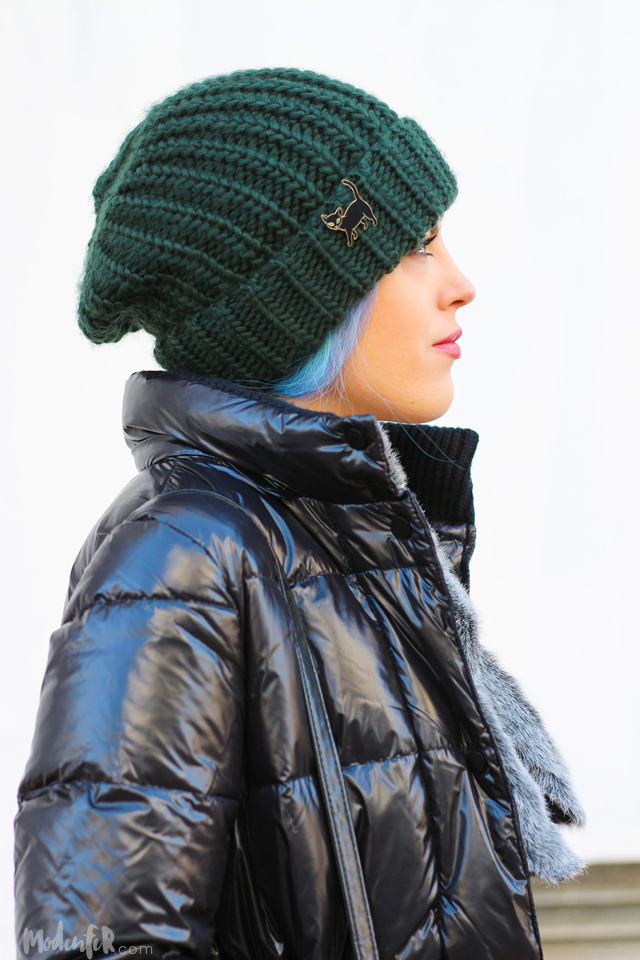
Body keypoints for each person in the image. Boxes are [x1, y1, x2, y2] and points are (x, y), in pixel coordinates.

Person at [14, 67, 585, 960]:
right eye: (416, 246)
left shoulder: (353, 534)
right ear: (303, 304)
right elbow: (102, 940)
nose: (461, 284)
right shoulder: (182, 556)